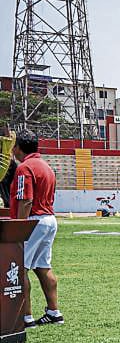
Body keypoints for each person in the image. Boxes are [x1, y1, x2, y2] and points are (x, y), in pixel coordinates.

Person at [7, 131, 62, 327]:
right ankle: (54, 312)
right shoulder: (46, 166)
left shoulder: (24, 168)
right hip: (49, 219)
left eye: (14, 146)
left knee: (20, 269)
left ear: (19, 148)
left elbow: (26, 199)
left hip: (33, 220)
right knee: (43, 266)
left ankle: (26, 317)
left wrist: (19, 228)